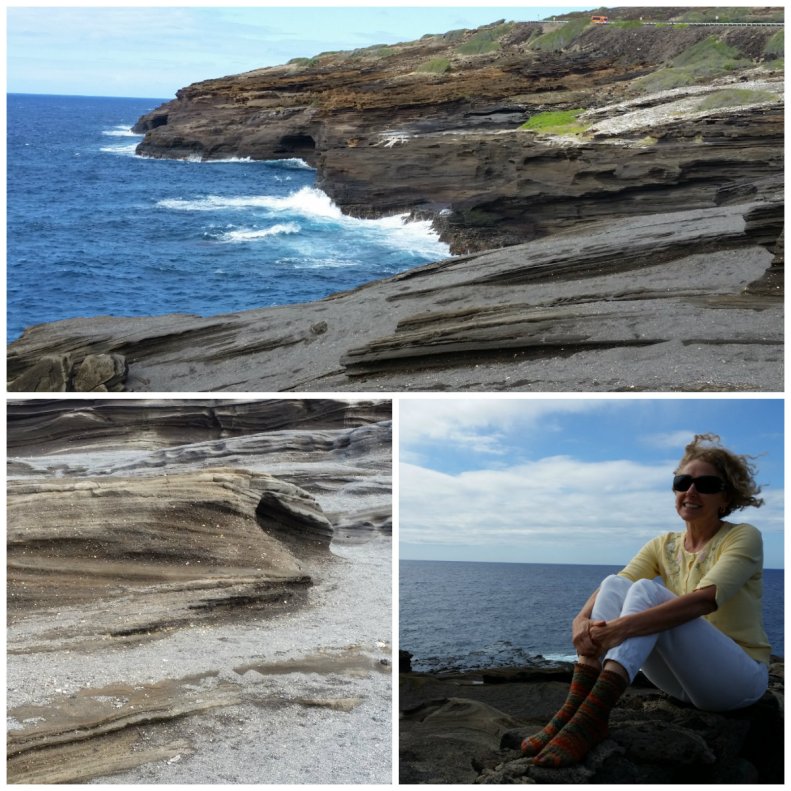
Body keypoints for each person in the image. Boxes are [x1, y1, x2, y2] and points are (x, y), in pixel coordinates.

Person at [521, 433, 770, 768]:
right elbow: (617, 584)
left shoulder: (742, 536)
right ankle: (577, 708)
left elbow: (703, 602)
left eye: (706, 484)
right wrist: (581, 618)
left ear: (725, 497)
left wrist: (620, 629)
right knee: (613, 583)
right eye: (683, 482)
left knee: (646, 592)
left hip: (738, 681)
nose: (691, 491)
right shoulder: (663, 544)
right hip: (684, 685)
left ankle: (592, 716)